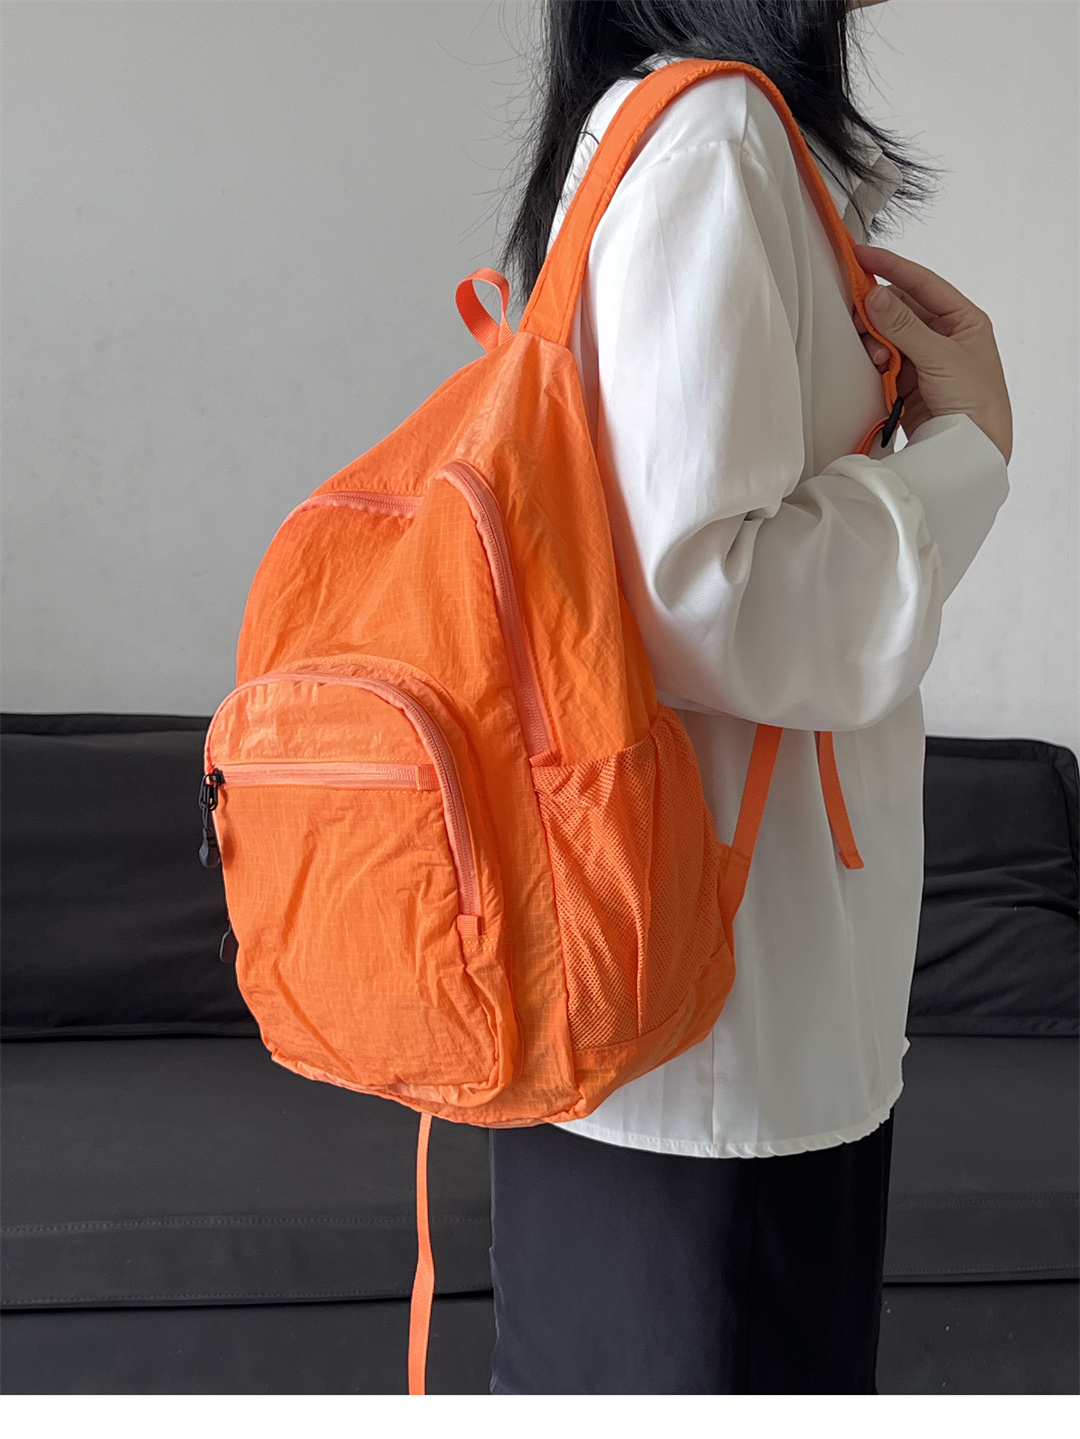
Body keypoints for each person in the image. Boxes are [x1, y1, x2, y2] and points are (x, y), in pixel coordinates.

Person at [488, 0, 1012, 1395]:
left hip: (676, 974)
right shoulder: (712, 132)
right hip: (721, 1002)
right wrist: (967, 447)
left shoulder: (680, 127)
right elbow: (707, 600)